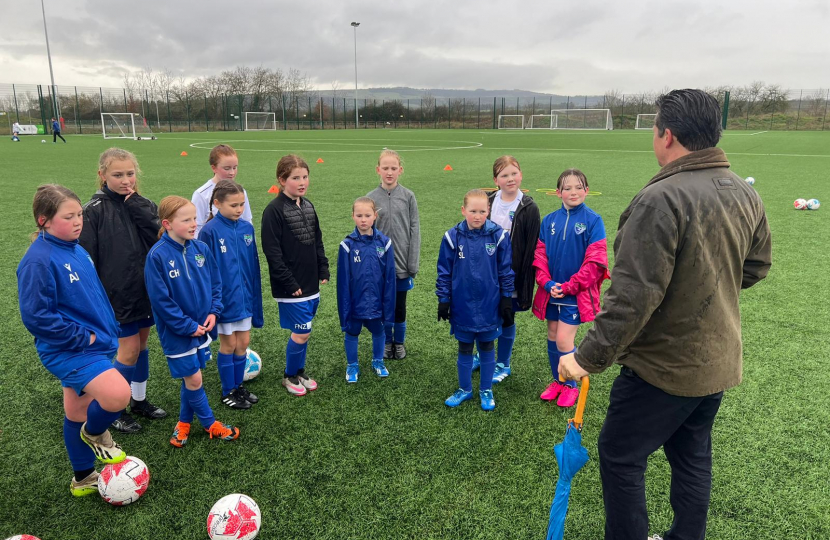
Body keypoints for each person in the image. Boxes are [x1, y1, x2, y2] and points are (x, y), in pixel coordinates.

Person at [557, 89, 772, 540]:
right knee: (692, 456)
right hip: (717, 362)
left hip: (664, 367)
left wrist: (585, 358)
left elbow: (633, 297)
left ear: (667, 135)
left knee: (619, 454)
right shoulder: (744, 192)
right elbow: (754, 268)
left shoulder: (661, 198)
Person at [17, 185, 130, 496]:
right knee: (118, 395)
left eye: (79, 214)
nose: (78, 221)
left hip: (91, 345)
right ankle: (95, 434)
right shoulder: (38, 261)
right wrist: (84, 335)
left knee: (76, 412)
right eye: (69, 216)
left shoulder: (76, 248)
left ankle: (83, 478)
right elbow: (37, 317)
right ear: (44, 221)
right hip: (70, 349)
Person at [79, 148, 167, 434]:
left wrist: (140, 207)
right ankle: (113, 407)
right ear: (102, 175)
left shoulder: (143, 203)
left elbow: (160, 240)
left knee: (141, 347)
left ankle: (138, 400)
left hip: (145, 291)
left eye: (130, 173)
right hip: (116, 295)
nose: (125, 180)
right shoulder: (92, 211)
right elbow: (85, 259)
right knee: (127, 351)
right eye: (117, 174)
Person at [144, 196, 240, 447]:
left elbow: (216, 283)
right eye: (186, 220)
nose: (193, 224)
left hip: (203, 327)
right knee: (194, 379)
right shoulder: (157, 256)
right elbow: (160, 301)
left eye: (194, 218)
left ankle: (184, 423)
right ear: (167, 224)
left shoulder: (201, 249)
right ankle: (210, 424)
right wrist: (187, 326)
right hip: (179, 333)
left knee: (192, 377)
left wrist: (213, 312)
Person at [532, 168, 608, 408]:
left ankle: (571, 386)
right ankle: (558, 380)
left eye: (578, 187)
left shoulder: (593, 221)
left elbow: (596, 262)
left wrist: (570, 286)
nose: (573, 192)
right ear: (558, 193)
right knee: (553, 336)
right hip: (552, 292)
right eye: (567, 188)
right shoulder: (549, 221)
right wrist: (547, 283)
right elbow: (540, 255)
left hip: (574, 294)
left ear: (586, 191)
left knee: (564, 340)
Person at [436, 189, 514, 411]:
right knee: (464, 346)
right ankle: (465, 389)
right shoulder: (452, 237)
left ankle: (486, 390)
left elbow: (506, 271)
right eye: (472, 211)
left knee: (488, 346)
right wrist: (444, 299)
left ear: (488, 211)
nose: (477, 216)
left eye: (482, 211)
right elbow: (444, 271)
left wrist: (506, 299)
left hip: (490, 304)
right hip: (463, 304)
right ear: (463, 211)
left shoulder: (498, 236)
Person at [261, 154, 330, 396]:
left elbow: (317, 241)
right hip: (292, 287)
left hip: (311, 283)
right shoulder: (273, 211)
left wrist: (323, 268)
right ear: (281, 180)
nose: (302, 182)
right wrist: (289, 281)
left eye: (305, 177)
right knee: (302, 332)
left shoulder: (308, 205)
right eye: (295, 178)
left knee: (305, 331)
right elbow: (272, 252)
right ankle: (289, 376)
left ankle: (299, 371)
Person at [198, 180, 264, 409]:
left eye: (242, 205)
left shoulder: (247, 228)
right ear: (217, 204)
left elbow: (253, 264)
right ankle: (228, 391)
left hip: (244, 297)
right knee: (228, 345)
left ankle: (238, 386)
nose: (239, 209)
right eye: (234, 205)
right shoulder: (209, 231)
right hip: (225, 300)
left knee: (243, 343)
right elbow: (204, 270)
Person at [483, 155, 541, 383]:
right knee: (487, 316)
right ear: (496, 179)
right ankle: (484, 354)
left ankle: (503, 363)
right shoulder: (488, 201)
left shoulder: (528, 207)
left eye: (514, 173)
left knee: (507, 317)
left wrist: (524, 280)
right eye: (504, 175)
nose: (510, 178)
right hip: (487, 273)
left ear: (521, 175)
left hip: (511, 275)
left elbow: (531, 248)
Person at [366, 149, 420, 360]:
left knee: (399, 307)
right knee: (382, 307)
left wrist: (412, 263)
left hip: (401, 265)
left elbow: (415, 231)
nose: (389, 172)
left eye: (393, 168)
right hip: (379, 267)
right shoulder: (370, 198)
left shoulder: (408, 197)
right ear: (378, 170)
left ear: (400, 170)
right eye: (385, 168)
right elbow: (367, 233)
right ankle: (387, 342)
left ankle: (399, 343)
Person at [336, 197, 396, 383]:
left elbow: (390, 279)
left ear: (375, 216)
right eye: (359, 215)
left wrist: (387, 306)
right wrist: (345, 310)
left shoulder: (385, 244)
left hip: (377, 302)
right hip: (355, 303)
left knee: (379, 332)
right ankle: (352, 365)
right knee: (352, 333)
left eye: (367, 215)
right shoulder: (347, 245)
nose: (363, 219)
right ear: (353, 216)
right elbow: (343, 283)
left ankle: (378, 361)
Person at [192, 144, 253, 238]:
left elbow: (247, 221)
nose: (232, 172)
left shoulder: (240, 191)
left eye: (235, 167)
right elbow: (196, 228)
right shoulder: (201, 194)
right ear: (214, 168)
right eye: (227, 168)